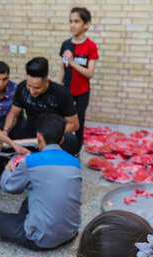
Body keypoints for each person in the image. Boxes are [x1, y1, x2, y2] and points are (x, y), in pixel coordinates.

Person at [0, 113, 81, 250]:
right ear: (62, 140)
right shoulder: (75, 162)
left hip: (39, 240)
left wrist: (7, 169)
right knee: (38, 193)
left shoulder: (31, 162)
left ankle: (14, 232)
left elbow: (9, 187)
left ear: (38, 137)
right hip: (70, 233)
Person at [3, 57, 81, 156]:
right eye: (29, 86)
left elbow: (74, 125)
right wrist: (5, 133)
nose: (31, 91)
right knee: (6, 134)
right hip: (31, 131)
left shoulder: (62, 93)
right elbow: (13, 114)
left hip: (52, 135)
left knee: (70, 140)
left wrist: (49, 135)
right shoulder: (22, 87)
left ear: (47, 81)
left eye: (36, 88)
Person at [59, 6, 99, 149]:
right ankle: (62, 146)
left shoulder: (91, 47)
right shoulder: (66, 44)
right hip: (66, 91)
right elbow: (62, 67)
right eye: (70, 21)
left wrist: (72, 62)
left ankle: (77, 150)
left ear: (86, 24)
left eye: (76, 21)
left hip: (82, 92)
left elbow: (90, 73)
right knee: (63, 120)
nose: (72, 25)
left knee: (78, 122)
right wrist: (58, 86)